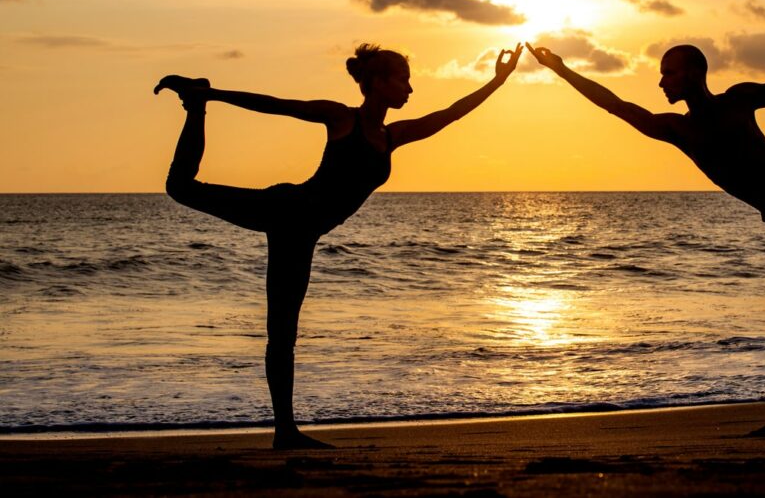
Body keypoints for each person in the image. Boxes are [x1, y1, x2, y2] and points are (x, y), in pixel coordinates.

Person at [527, 29, 765, 438]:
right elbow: (616, 105)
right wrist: (561, 69)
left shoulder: (738, 100)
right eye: (662, 75)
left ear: (696, 73)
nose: (662, 82)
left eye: (670, 73)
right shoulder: (678, 129)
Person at [155, 42, 523, 449]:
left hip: (301, 232)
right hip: (286, 211)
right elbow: (276, 105)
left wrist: (498, 80)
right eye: (403, 80)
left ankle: (285, 432)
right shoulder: (340, 117)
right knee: (180, 188)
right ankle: (196, 104)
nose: (410, 90)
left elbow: (449, 115)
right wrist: (212, 95)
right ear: (378, 83)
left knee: (283, 334)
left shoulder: (391, 135)